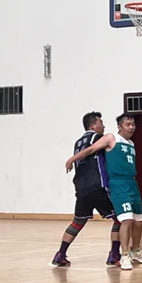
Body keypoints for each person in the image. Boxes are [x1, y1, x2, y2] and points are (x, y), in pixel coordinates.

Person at [66, 113, 142, 271]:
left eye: (133, 124)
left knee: (139, 220)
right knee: (126, 219)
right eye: (128, 124)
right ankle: (124, 255)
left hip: (132, 183)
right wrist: (72, 159)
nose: (131, 127)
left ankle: (135, 251)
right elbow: (90, 149)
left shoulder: (131, 143)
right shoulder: (111, 138)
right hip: (118, 183)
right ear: (119, 126)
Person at [50, 112, 122, 267]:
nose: (103, 125)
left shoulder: (78, 143)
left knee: (78, 222)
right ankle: (114, 254)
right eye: (100, 122)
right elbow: (94, 150)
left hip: (82, 188)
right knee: (120, 218)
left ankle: (60, 254)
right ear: (92, 126)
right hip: (97, 186)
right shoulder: (96, 138)